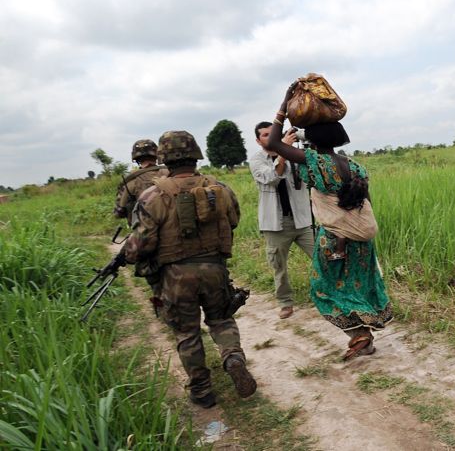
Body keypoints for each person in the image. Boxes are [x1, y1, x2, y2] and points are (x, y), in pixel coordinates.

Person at [121, 130, 257, 408]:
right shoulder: (220, 187)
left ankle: (202, 390)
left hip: (175, 276)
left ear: (164, 159)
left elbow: (140, 245)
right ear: (196, 155)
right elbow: (233, 221)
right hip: (215, 269)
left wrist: (127, 255)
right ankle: (232, 357)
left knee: (187, 332)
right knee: (221, 320)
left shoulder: (152, 195)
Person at [267, 84, 392, 361]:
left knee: (324, 288)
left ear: (311, 139)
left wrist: (283, 106)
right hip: (361, 238)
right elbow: (364, 203)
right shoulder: (356, 166)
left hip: (334, 238)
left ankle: (358, 335)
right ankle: (365, 337)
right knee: (357, 284)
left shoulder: (314, 161)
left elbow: (274, 145)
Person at [250, 122, 315, 319]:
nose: (269, 138)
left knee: (321, 258)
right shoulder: (256, 160)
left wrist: (300, 138)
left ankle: (329, 294)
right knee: (279, 267)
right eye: (265, 135)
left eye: (273, 134)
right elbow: (271, 177)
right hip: (275, 224)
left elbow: (311, 167)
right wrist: (283, 151)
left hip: (302, 219)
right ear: (258, 140)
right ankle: (285, 302)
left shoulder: (293, 154)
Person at [113, 139, 168, 225]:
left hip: (143, 233)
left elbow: (118, 213)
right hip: (172, 230)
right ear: (156, 155)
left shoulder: (130, 180)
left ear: (136, 158)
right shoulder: (169, 173)